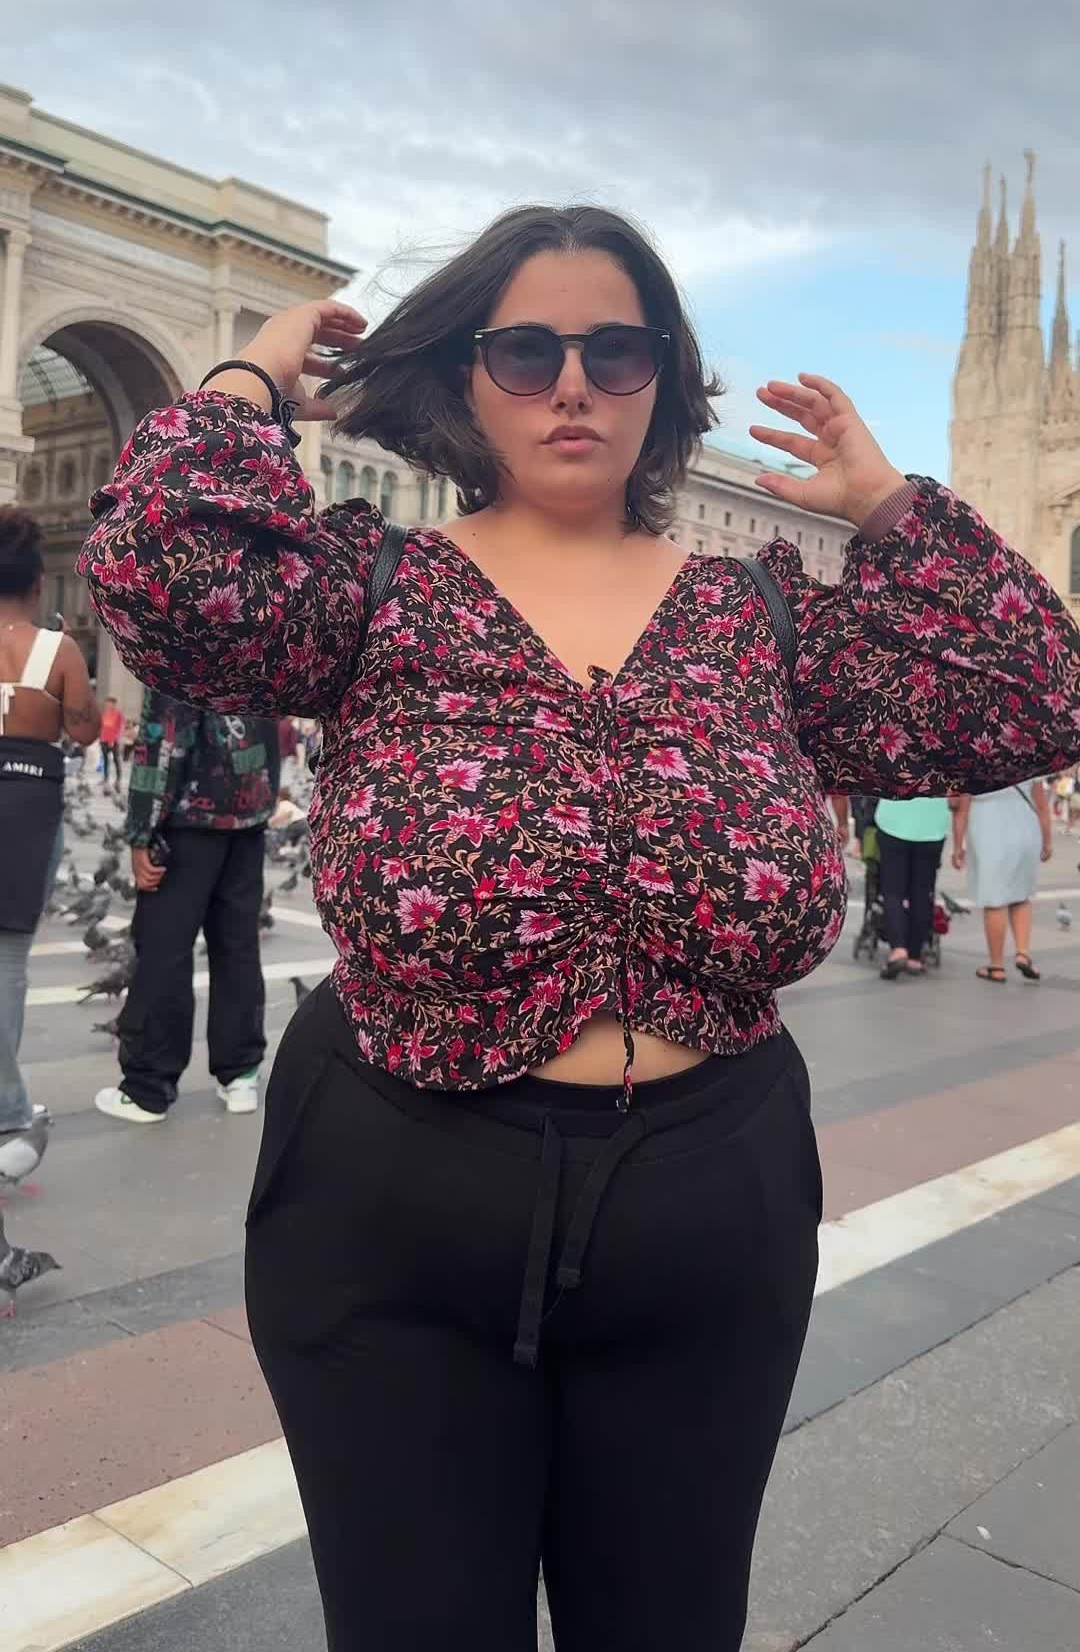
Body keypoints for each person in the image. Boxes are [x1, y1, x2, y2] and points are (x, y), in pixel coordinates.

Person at [79, 207, 1080, 1652]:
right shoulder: (372, 591)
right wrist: (246, 383)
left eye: (617, 352)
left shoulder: (761, 621)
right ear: (465, 377)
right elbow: (152, 576)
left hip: (707, 1207)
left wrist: (889, 508)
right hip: (395, 1203)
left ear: (664, 381)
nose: (571, 386)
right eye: (525, 351)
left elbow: (1036, 694)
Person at [93, 688, 276, 1122]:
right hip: (247, 820)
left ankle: (148, 1087)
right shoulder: (258, 651)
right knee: (237, 946)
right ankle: (240, 1074)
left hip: (188, 821)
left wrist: (141, 832)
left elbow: (163, 740)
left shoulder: (179, 650)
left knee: (165, 949)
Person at [0, 508, 99, 1181]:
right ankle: (8, 1113)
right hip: (27, 807)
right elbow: (85, 732)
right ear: (39, 584)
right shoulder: (58, 651)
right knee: (8, 964)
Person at [951, 780, 1053, 983]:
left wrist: (957, 847)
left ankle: (996, 966)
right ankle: (1023, 953)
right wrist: (1047, 841)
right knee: (1022, 895)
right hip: (1026, 832)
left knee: (994, 900)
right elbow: (1042, 805)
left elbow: (961, 810)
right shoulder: (1029, 763)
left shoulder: (974, 765)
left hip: (988, 833)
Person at [873, 795, 952, 980]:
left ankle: (898, 949)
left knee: (893, 891)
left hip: (894, 819)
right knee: (922, 892)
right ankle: (915, 955)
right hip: (933, 824)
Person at [98, 694, 125, 786]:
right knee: (105, 760)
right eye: (107, 704)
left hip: (114, 741)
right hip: (104, 740)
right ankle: (105, 779)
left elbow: (120, 729)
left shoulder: (119, 714)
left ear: (114, 704)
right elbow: (102, 727)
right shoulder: (105, 714)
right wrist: (101, 739)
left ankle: (118, 779)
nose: (107, 705)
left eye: (109, 703)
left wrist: (113, 740)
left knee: (116, 760)